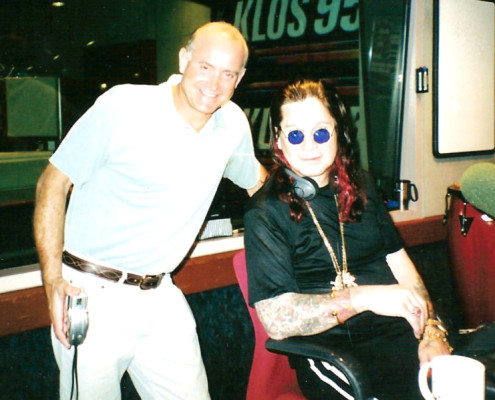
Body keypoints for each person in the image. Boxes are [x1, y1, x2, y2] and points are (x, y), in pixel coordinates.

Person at [34, 21, 266, 400]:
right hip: (92, 292)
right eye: (205, 67)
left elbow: (260, 184)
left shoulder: (232, 124)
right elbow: (52, 183)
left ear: (239, 78)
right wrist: (52, 282)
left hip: (160, 294)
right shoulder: (125, 105)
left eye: (228, 74)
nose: (214, 84)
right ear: (184, 58)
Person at [243, 79, 452, 400]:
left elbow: (402, 267)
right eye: (295, 134)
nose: (309, 146)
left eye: (321, 132)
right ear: (278, 141)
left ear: (339, 133)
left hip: (399, 337)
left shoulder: (362, 185)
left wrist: (432, 332)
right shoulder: (265, 212)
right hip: (333, 353)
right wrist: (362, 298)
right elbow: (275, 320)